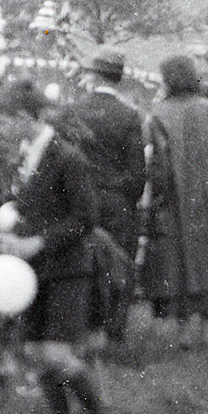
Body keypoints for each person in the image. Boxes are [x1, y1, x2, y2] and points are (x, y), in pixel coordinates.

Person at [0, 80, 110, 414]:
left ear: (25, 117)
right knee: (36, 353)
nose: (0, 130)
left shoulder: (68, 158)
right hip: (33, 272)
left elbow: (86, 218)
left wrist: (36, 243)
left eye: (5, 121)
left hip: (68, 269)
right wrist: (11, 233)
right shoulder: (26, 158)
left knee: (57, 352)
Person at [140, 55, 208, 349]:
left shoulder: (158, 114)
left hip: (174, 200)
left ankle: (183, 332)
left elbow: (156, 166)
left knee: (178, 265)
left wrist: (156, 199)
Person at [62, 48, 147, 344]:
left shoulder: (74, 110)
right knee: (119, 264)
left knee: (82, 264)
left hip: (81, 200)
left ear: (94, 75)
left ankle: (82, 329)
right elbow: (138, 172)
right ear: (119, 79)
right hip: (117, 201)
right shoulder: (130, 115)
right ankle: (114, 332)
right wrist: (126, 198)